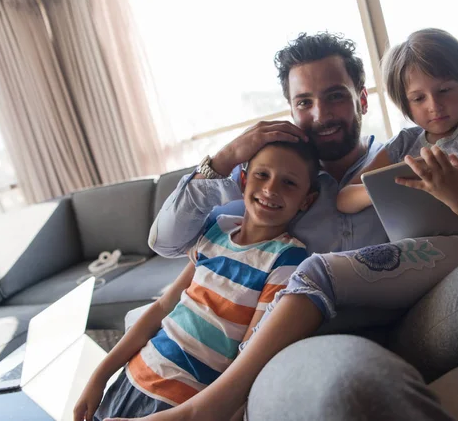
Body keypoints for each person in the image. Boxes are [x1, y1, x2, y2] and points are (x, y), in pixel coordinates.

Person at [123, 31, 458, 420]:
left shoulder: (399, 153)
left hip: (425, 317)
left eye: (335, 96)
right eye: (304, 102)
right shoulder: (267, 185)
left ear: (362, 99)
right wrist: (224, 157)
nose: (322, 114)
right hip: (308, 341)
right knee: (353, 386)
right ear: (291, 109)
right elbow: (165, 241)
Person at [73, 141, 319, 421]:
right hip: (133, 376)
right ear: (243, 179)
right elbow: (163, 307)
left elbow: (249, 357)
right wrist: (100, 376)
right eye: (262, 175)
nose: (271, 189)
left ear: (306, 200)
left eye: (289, 183)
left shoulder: (286, 259)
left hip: (182, 406)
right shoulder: (216, 232)